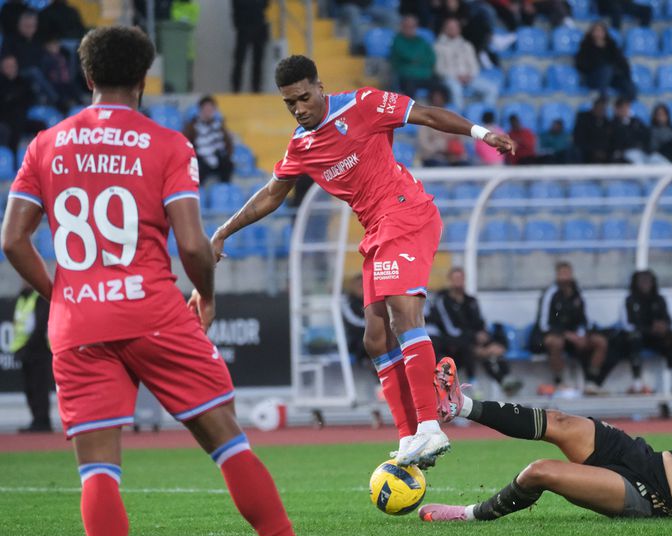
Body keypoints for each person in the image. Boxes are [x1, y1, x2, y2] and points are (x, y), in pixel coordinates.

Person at [0, 26, 311, 536]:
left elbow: (12, 239)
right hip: (153, 312)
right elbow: (191, 243)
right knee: (228, 444)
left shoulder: (45, 144)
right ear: (145, 80)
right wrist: (207, 297)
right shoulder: (167, 143)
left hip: (78, 322)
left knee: (97, 471)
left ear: (88, 76)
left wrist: (64, 293)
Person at [198, 55, 515, 467]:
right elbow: (272, 195)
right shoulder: (302, 144)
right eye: (289, 103)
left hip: (406, 211)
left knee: (404, 313)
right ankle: (409, 439)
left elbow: (427, 115)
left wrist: (481, 133)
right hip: (377, 230)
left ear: (320, 87)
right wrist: (223, 231)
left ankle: (430, 427)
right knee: (375, 339)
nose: (299, 108)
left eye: (304, 97)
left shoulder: (363, 105)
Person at [421, 374, 672, 521]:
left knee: (539, 471)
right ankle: (461, 406)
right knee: (560, 422)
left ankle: (469, 514)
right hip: (644, 458)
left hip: (653, 497)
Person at [428, 267, 514, 393]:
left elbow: (480, 323)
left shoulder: (471, 301)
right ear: (449, 281)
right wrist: (475, 337)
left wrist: (485, 338)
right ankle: (474, 383)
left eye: (461, 278)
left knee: (493, 346)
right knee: (469, 348)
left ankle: (505, 380)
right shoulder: (443, 300)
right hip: (451, 342)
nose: (458, 282)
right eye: (455, 278)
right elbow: (450, 330)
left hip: (471, 339)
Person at [530, 262, 608, 396]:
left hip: (575, 336)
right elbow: (544, 324)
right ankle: (560, 381)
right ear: (557, 276)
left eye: (567, 273)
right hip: (553, 335)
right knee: (555, 342)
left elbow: (586, 320)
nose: (565, 277)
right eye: (562, 274)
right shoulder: (550, 294)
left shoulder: (578, 293)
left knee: (600, 342)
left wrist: (581, 334)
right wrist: (566, 335)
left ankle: (592, 381)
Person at [622, 270, 672, 395]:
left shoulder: (660, 299)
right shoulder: (630, 300)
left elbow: (669, 320)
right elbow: (628, 325)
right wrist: (648, 329)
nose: (646, 284)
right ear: (636, 283)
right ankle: (637, 382)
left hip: (658, 338)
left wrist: (664, 327)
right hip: (640, 337)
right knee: (634, 338)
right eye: (642, 281)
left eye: (648, 281)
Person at [10, 282, 53, 433]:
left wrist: (27, 348)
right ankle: (37, 420)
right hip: (24, 351)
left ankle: (42, 421)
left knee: (39, 387)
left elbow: (40, 326)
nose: (24, 282)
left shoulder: (39, 297)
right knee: (30, 389)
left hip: (39, 351)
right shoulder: (22, 298)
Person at [433, 17, 499, 111]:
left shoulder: (467, 45)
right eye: (450, 27)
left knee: (492, 89)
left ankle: (484, 117)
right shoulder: (438, 46)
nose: (453, 29)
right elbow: (438, 69)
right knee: (456, 89)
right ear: (444, 29)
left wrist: (469, 76)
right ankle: (459, 121)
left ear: (459, 29)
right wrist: (457, 76)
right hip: (450, 78)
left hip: (469, 78)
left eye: (455, 27)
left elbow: (474, 66)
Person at [575, 22, 636, 100]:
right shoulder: (586, 46)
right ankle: (602, 100)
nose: (598, 33)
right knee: (607, 70)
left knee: (629, 86)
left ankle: (623, 106)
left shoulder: (612, 46)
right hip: (594, 77)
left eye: (600, 31)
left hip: (613, 77)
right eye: (596, 31)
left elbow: (622, 62)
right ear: (591, 32)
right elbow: (581, 64)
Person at [182, 95, 235, 184]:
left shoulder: (219, 126)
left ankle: (224, 188)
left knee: (228, 164)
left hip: (217, 156)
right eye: (206, 109)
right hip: (201, 158)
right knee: (198, 167)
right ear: (200, 110)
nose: (208, 112)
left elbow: (227, 143)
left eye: (211, 110)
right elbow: (186, 143)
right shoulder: (192, 126)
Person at [0, 54, 47, 150]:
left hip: (21, 117)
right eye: (7, 66)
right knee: (12, 127)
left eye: (13, 66)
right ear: (2, 68)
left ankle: (42, 153)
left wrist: (12, 98)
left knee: (41, 125)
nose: (11, 68)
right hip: (5, 119)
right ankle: (14, 158)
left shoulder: (22, 81)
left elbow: (30, 98)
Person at [417, 88, 469, 167]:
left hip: (453, 157)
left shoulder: (452, 116)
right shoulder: (425, 118)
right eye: (435, 98)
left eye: (440, 98)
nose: (437, 100)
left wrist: (451, 146)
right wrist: (438, 147)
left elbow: (461, 137)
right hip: (434, 157)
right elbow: (424, 143)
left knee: (465, 164)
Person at [389, 14, 437, 98]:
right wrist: (420, 59)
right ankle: (411, 110)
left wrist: (417, 60)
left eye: (413, 26)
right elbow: (408, 56)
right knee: (409, 86)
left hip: (424, 74)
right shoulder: (398, 40)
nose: (410, 29)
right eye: (407, 26)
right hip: (406, 75)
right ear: (402, 27)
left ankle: (436, 110)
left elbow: (431, 58)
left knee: (440, 86)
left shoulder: (421, 41)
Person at [610, 97, 669, 165]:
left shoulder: (635, 121)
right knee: (639, 163)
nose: (625, 110)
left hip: (643, 151)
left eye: (627, 107)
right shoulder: (613, 124)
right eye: (622, 107)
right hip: (628, 151)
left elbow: (646, 133)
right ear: (617, 109)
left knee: (661, 161)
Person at [231, 0, 270, 93]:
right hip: (244, 27)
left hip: (258, 26)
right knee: (240, 60)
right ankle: (236, 88)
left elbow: (265, 4)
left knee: (258, 60)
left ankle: (256, 88)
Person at [574, 96, 613, 164]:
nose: (601, 110)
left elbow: (608, 140)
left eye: (603, 108)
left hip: (603, 152)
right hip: (586, 151)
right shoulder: (584, 119)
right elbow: (579, 139)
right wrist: (593, 151)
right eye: (599, 107)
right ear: (594, 107)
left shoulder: (607, 122)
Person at [341, 273, 368, 365]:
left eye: (366, 285)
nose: (363, 288)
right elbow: (353, 322)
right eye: (360, 286)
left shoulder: (370, 300)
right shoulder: (347, 301)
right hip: (354, 339)